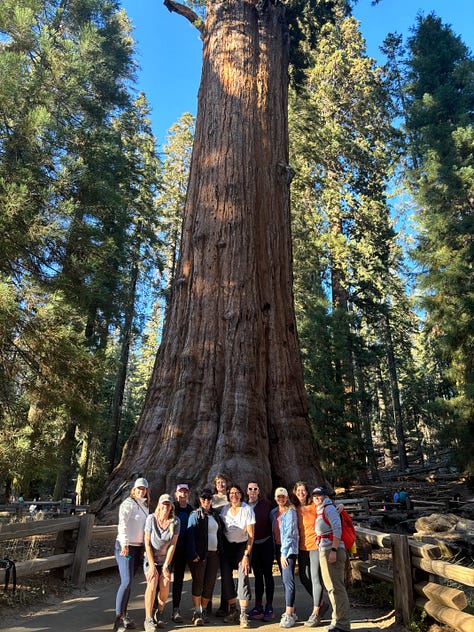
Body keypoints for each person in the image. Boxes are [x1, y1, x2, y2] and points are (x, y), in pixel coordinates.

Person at [114, 477, 150, 632]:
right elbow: (122, 524)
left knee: (129, 583)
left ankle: (124, 614)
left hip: (137, 549)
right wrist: (124, 543)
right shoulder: (128, 503)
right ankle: (119, 617)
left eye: (144, 489)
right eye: (139, 488)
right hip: (126, 549)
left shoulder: (145, 506)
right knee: (127, 581)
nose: (141, 491)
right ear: (134, 489)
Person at [313, 487, 350, 632]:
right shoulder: (321, 509)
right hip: (325, 549)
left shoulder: (329, 509)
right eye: (314, 495)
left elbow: (337, 529)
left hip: (332, 550)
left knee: (337, 587)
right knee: (331, 587)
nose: (317, 497)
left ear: (325, 496)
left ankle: (343, 624)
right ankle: (336, 620)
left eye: (319, 495)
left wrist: (334, 550)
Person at [293, 481, 328, 627]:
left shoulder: (314, 506)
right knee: (303, 577)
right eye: (298, 490)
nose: (301, 493)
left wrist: (340, 507)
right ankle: (321, 603)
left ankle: (316, 613)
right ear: (295, 493)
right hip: (302, 548)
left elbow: (327, 507)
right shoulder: (294, 508)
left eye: (303, 490)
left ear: (307, 492)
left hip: (315, 546)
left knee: (315, 578)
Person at [187, 488, 224, 625]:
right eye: (204, 498)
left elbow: (220, 533)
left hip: (214, 554)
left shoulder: (215, 515)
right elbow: (190, 535)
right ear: (200, 500)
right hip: (200, 555)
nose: (206, 501)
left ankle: (203, 610)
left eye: (209, 498)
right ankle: (197, 611)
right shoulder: (195, 515)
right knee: (198, 582)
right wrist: (193, 553)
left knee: (210, 583)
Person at [220, 484, 255, 628]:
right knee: (226, 577)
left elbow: (251, 536)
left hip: (242, 547)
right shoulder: (225, 509)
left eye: (236, 493)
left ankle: (244, 614)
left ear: (241, 495)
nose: (234, 495)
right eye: (231, 493)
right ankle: (233, 610)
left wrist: (246, 554)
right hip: (228, 547)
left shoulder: (247, 510)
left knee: (243, 577)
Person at [143, 494, 180, 632]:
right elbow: (147, 543)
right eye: (163, 504)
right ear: (159, 505)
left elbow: (173, 545)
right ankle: (148, 619)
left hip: (165, 560)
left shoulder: (175, 522)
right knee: (152, 581)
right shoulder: (151, 519)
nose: (165, 507)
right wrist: (152, 566)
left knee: (165, 583)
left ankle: (159, 612)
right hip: (150, 558)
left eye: (168, 505)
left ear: (171, 507)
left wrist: (165, 566)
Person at [246, 481, 275, 622]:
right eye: (250, 489)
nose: (252, 491)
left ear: (258, 491)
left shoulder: (267, 505)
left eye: (255, 489)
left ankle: (269, 606)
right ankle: (258, 606)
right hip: (253, 545)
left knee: (268, 574)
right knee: (257, 576)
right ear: (247, 491)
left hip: (266, 543)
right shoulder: (244, 506)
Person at [270, 487, 299, 629]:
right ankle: (291, 610)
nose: (281, 499)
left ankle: (289, 614)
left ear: (287, 498)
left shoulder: (291, 512)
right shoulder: (273, 513)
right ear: (275, 498)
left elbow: (290, 534)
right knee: (284, 579)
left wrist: (284, 554)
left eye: (283, 497)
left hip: (288, 550)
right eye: (278, 497)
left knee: (288, 580)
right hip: (278, 547)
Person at [171, 483, 193, 623]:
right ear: (176, 494)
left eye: (185, 492)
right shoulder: (171, 508)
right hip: (168, 548)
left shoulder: (191, 510)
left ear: (188, 494)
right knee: (162, 577)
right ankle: (156, 608)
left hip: (183, 549)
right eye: (180, 492)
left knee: (178, 579)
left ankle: (175, 608)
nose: (183, 494)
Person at [211, 473, 230, 616]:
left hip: (226, 539)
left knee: (225, 573)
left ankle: (225, 606)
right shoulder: (211, 499)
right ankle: (206, 605)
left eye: (223, 482)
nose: (221, 485)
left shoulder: (231, 498)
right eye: (218, 483)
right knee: (210, 573)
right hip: (213, 538)